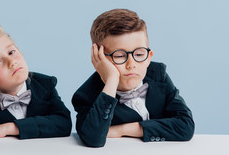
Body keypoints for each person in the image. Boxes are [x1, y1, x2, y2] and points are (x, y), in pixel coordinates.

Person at [71, 9, 194, 147]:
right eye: (119, 56)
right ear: (99, 59)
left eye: (140, 54)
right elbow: (93, 138)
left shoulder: (158, 75)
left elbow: (185, 126)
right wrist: (112, 79)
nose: (131, 64)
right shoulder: (86, 95)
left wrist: (122, 130)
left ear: (149, 57)